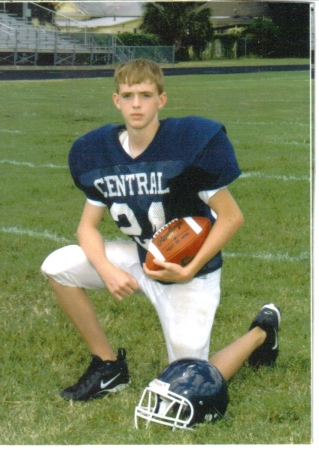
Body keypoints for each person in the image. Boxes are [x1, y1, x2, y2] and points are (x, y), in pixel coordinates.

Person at [41, 59, 280, 402]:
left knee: (187, 388)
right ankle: (108, 366)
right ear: (116, 100)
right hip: (142, 257)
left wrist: (189, 269)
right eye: (128, 95)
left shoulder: (187, 143)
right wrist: (107, 271)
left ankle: (261, 331)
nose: (136, 104)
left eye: (145, 94)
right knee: (58, 266)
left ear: (161, 100)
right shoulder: (99, 152)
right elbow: (87, 228)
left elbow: (231, 217)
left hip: (190, 271)